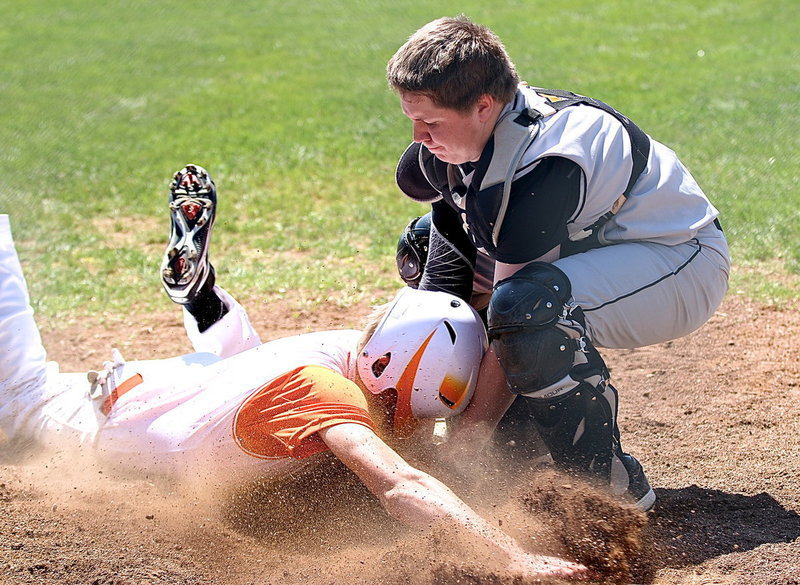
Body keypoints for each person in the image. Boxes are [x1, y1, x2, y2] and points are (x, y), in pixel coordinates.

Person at [0, 166, 591, 581]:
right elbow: (397, 483)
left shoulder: (344, 349)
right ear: (386, 370)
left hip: (193, 388)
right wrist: (507, 555)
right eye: (407, 408)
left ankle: (205, 300)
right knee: (24, 394)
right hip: (105, 417)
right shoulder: (328, 396)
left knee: (248, 372)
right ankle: (192, 301)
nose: (406, 422)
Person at [387, 15, 731, 512]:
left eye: (432, 122)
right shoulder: (462, 139)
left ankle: (608, 492)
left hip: (679, 263)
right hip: (594, 252)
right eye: (412, 118)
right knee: (422, 253)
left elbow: (509, 306)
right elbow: (450, 255)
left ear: (484, 106)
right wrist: (417, 395)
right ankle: (522, 435)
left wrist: (468, 435)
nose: (418, 135)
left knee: (527, 310)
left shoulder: (543, 168)